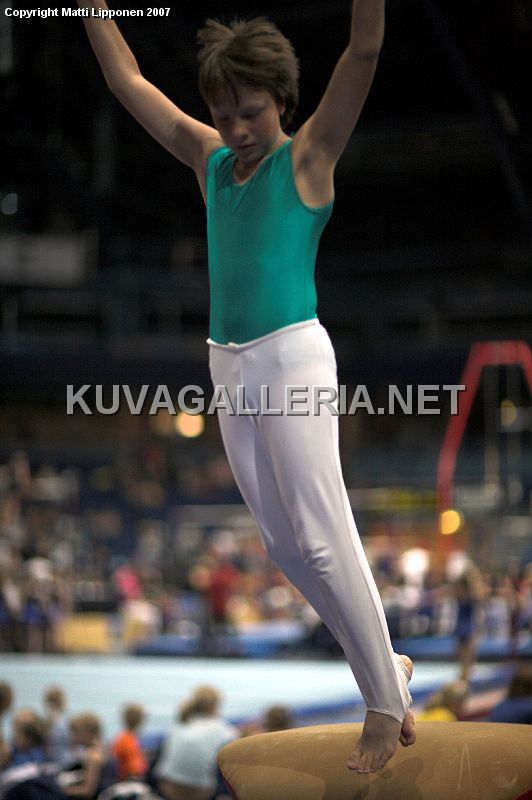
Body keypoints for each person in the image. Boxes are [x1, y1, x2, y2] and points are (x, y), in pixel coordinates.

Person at [78, 0, 415, 774]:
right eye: (222, 114)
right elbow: (127, 81)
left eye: (250, 113)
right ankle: (388, 664)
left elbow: (363, 51)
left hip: (292, 357)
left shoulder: (309, 157)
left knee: (323, 538)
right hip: (226, 366)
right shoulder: (209, 161)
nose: (235, 129)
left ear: (282, 102)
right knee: (284, 548)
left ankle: (381, 701)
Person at [153, 686, 239, 800]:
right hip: (200, 792)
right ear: (214, 705)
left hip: (167, 786)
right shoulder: (221, 728)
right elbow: (237, 748)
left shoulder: (180, 724)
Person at [111, 703, 148, 782]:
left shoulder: (120, 737)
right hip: (127, 781)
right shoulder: (130, 741)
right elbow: (134, 770)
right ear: (141, 720)